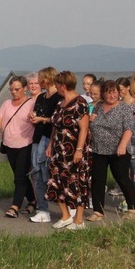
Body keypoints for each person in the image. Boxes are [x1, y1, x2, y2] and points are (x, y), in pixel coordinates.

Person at [46, 71, 91, 230]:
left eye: (57, 84)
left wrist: (79, 150)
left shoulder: (80, 103)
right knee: (56, 180)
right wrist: (50, 144)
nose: (55, 87)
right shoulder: (60, 103)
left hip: (73, 150)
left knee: (76, 182)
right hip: (58, 149)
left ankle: (79, 219)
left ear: (63, 86)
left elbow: (84, 129)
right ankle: (65, 215)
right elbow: (55, 126)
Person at [88, 80, 135, 221]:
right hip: (98, 149)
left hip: (118, 150)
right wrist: (91, 120)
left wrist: (122, 145)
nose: (112, 95)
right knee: (97, 179)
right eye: (109, 92)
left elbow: (129, 129)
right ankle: (98, 211)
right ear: (103, 93)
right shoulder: (98, 106)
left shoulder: (124, 108)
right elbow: (92, 123)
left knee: (122, 178)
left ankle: (133, 208)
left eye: (114, 92)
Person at [0, 76, 35, 219]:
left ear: (25, 89)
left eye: (17, 89)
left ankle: (15, 206)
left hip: (25, 144)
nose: (14, 92)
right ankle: (33, 200)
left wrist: (34, 118)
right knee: (20, 175)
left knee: (20, 177)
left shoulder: (31, 103)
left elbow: (37, 121)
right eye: (11, 89)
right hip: (10, 144)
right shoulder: (6, 103)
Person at [28, 67, 63, 223]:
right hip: (38, 137)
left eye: (41, 79)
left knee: (49, 173)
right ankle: (42, 208)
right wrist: (34, 117)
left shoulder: (58, 97)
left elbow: (56, 120)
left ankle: (63, 206)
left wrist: (42, 119)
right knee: (37, 173)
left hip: (50, 138)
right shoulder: (41, 97)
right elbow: (39, 114)